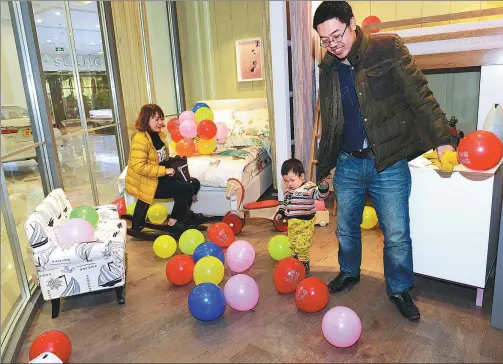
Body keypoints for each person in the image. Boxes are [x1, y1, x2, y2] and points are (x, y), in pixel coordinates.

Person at [313, 1, 454, 321]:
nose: (334, 45)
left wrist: (443, 139)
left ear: (352, 24)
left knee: (396, 233)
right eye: (326, 40)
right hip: (348, 161)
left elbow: (421, 95)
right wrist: (325, 168)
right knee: (346, 228)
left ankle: (400, 288)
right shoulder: (328, 67)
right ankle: (349, 272)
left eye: (337, 35)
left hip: (388, 160)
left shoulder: (387, 48)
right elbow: (332, 121)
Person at [125, 104, 204, 235]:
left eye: (161, 119)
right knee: (185, 188)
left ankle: (182, 216)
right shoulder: (140, 140)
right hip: (147, 182)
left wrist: (173, 163)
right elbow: (140, 166)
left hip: (158, 178)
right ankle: (175, 222)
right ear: (146, 120)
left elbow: (160, 158)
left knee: (193, 183)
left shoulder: (159, 135)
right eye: (157, 119)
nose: (161, 123)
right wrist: (164, 170)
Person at [278, 158, 330, 274]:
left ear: (301, 177)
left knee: (302, 246)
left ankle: (304, 265)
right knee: (292, 244)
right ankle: (295, 262)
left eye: (292, 180)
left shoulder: (308, 188)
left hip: (305, 224)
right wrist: (281, 212)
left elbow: (320, 196)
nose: (289, 184)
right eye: (286, 181)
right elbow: (285, 204)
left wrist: (323, 186)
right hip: (292, 224)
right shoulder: (287, 191)